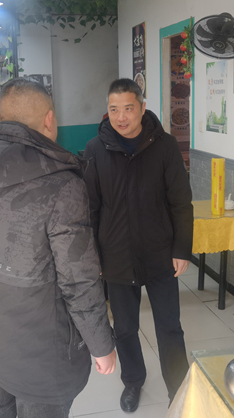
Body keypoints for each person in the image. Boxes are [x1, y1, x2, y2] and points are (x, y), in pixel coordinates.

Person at [0, 78, 116, 418]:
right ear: (49, 120)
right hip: (44, 351)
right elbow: (78, 281)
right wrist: (101, 345)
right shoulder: (64, 186)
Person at [83, 78, 193, 412]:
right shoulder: (96, 149)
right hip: (116, 256)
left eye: (128, 108)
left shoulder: (165, 146)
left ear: (142, 108)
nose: (121, 117)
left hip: (160, 253)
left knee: (170, 327)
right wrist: (93, 256)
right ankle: (133, 381)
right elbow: (90, 209)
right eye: (114, 109)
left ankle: (179, 388)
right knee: (125, 328)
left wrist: (182, 249)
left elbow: (180, 201)